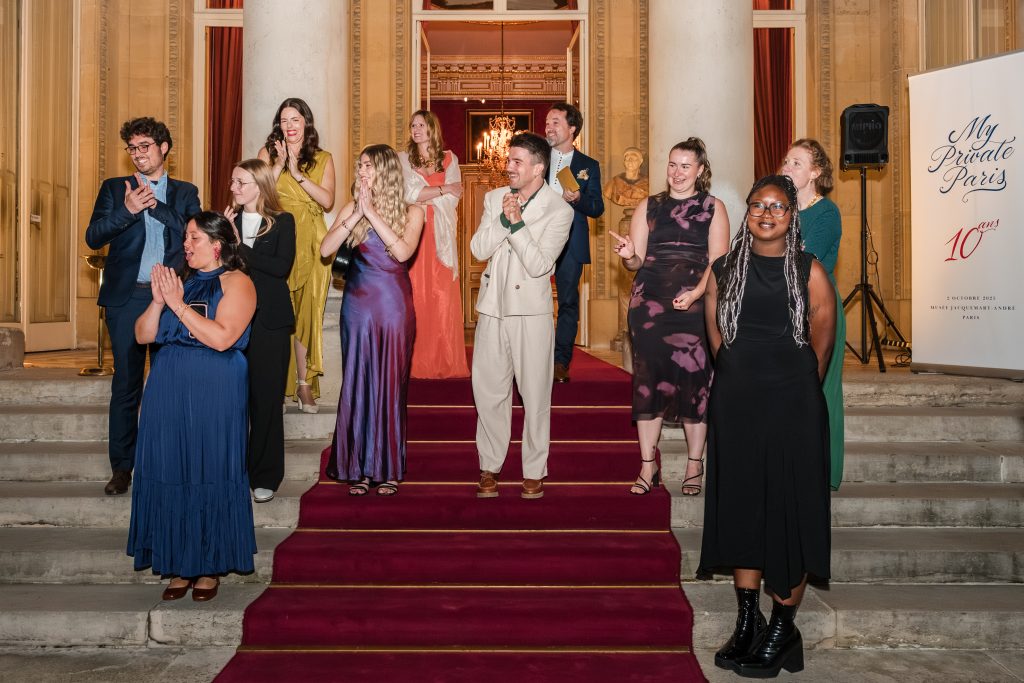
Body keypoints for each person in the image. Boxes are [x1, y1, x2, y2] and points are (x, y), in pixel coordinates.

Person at [698, 175, 835, 678]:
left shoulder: (810, 271)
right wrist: (743, 379)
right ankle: (747, 621)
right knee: (743, 507)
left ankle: (783, 629)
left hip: (793, 408)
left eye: (778, 206)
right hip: (738, 406)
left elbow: (821, 344)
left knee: (788, 512)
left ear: (792, 214)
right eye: (759, 204)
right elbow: (717, 337)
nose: (767, 213)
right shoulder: (724, 269)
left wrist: (789, 387)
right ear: (749, 211)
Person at [127, 211, 258, 602]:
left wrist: (178, 306)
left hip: (215, 389)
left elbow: (222, 338)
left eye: (194, 238)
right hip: (168, 386)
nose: (186, 244)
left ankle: (210, 567)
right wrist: (157, 302)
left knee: (209, 468)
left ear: (217, 245)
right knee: (173, 469)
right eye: (185, 237)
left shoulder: (238, 283)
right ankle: (178, 564)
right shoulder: (177, 283)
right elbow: (142, 335)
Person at [84, 117, 201, 496]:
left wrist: (156, 206)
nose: (137, 155)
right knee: (127, 384)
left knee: (169, 382)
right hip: (127, 297)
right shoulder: (115, 189)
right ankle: (122, 468)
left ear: (164, 147)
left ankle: (168, 462)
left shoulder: (185, 191)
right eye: (132, 148)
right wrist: (128, 209)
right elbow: (94, 235)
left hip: (171, 298)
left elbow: (194, 234)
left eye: (145, 146)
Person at [609, 138, 729, 497]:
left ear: (701, 171)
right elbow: (635, 263)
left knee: (696, 383)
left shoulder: (713, 207)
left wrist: (694, 294)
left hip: (694, 309)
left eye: (685, 166)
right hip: (649, 309)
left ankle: (695, 464)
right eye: (672, 165)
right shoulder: (649, 206)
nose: (677, 173)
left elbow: (718, 263)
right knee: (649, 383)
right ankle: (648, 466)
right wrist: (628, 255)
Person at [471, 133, 574, 500]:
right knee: (488, 392)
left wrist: (516, 226)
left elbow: (539, 265)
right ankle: (490, 466)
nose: (509, 167)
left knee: (534, 394)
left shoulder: (560, 210)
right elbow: (478, 247)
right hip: (492, 309)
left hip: (531, 313)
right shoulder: (493, 198)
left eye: (517, 161)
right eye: (509, 160)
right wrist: (503, 217)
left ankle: (534, 470)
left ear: (538, 168)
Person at [320, 145, 425, 497]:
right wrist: (355, 215)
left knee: (391, 384)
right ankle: (357, 469)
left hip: (394, 305)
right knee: (358, 380)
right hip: (358, 306)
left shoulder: (414, 211)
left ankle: (388, 467)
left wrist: (372, 213)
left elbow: (403, 252)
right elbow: (325, 249)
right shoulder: (351, 208)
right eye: (360, 165)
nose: (362, 171)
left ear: (386, 172)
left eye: (369, 166)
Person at [258, 97, 336, 414]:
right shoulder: (267, 153)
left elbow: (328, 201)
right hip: (278, 237)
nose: (289, 126)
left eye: (295, 119)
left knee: (307, 316)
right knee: (278, 315)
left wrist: (298, 173)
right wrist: (278, 166)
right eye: (284, 120)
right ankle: (276, 383)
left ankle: (304, 386)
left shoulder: (323, 158)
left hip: (314, 241)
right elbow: (260, 194)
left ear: (306, 123)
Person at [225, 159, 296, 504]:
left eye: (240, 182)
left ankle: (265, 475)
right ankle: (232, 470)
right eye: (233, 183)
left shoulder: (284, 222)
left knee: (267, 401)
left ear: (259, 186)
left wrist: (239, 246)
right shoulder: (226, 223)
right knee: (233, 401)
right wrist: (225, 240)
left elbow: (279, 267)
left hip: (270, 321)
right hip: (231, 321)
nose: (234, 188)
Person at [781, 138, 846, 490]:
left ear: (815, 173)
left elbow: (809, 259)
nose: (787, 168)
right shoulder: (780, 207)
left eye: (796, 163)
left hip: (818, 312)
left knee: (820, 392)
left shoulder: (826, 212)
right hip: (782, 308)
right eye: (786, 161)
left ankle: (824, 470)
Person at [398, 110, 470, 378]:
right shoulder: (402, 160)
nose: (416, 129)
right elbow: (407, 194)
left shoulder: (450, 159)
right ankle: (417, 363)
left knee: (442, 295)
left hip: (440, 236)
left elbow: (455, 197)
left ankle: (446, 362)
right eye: (412, 125)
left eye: (421, 125)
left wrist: (428, 195)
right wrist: (441, 189)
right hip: (414, 234)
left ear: (432, 129)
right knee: (416, 295)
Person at [544, 102, 604, 383]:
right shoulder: (537, 157)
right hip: (536, 239)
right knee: (532, 300)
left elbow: (597, 207)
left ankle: (559, 362)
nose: (549, 127)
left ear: (572, 129)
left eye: (555, 122)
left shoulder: (588, 165)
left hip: (571, 241)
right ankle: (531, 356)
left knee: (567, 302)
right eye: (547, 122)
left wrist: (579, 199)